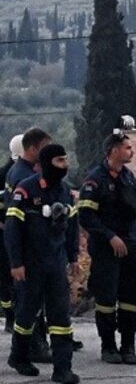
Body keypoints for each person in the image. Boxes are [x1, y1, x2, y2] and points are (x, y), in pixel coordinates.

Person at [4, 144, 80, 383]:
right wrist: (16, 263)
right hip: (30, 264)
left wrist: (73, 258)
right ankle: (19, 356)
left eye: (65, 160)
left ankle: (62, 369)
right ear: (47, 163)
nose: (65, 165)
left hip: (56, 264)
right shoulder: (25, 190)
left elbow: (72, 228)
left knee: (60, 317)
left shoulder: (66, 192)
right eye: (60, 160)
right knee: (26, 314)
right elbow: (12, 230)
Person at [78, 132, 136, 365]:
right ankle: (108, 346)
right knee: (106, 299)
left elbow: (133, 207)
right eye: (127, 147)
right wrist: (110, 237)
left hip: (132, 246)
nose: (131, 151)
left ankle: (128, 345)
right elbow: (86, 216)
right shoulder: (94, 181)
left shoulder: (128, 177)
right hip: (107, 250)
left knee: (131, 298)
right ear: (114, 151)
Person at [4, 128, 53, 363]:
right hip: (29, 250)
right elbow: (15, 220)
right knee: (29, 302)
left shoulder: (20, 171)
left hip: (34, 248)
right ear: (32, 148)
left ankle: (36, 344)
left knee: (34, 301)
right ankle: (32, 347)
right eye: (45, 148)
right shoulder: (23, 177)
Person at [0, 134, 23, 333]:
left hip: (18, 232)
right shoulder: (5, 174)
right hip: (4, 234)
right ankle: (10, 316)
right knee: (5, 278)